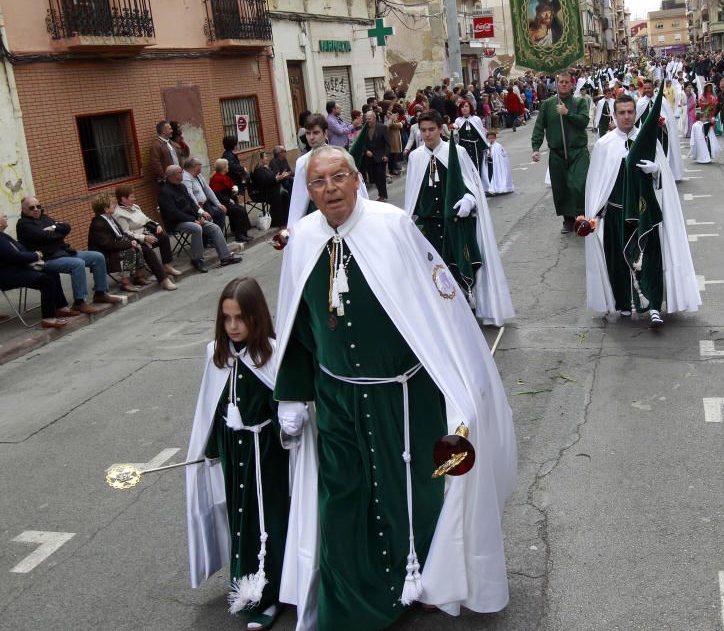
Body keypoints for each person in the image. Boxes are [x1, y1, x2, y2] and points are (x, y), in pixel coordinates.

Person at [271, 144, 516, 629]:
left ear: (357, 178)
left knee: (418, 493)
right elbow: (296, 322)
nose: (329, 189)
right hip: (337, 398)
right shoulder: (300, 239)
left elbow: (436, 310)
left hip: (404, 395)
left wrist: (458, 382)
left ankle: (426, 579)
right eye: (318, 182)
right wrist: (291, 394)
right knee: (343, 498)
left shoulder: (393, 226)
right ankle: (353, 601)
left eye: (338, 177)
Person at [185, 277, 290, 631]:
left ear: (256, 317)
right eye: (226, 318)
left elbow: (286, 407)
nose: (232, 326)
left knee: (269, 521)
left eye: (240, 318)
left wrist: (285, 424)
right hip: (234, 452)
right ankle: (245, 585)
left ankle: (269, 594)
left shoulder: (273, 354)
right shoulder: (217, 352)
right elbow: (212, 404)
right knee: (241, 518)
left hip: (267, 455)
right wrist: (211, 449)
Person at [582, 95, 700, 327]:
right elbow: (597, 184)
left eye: (630, 112)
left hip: (644, 213)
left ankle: (654, 305)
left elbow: (664, 176)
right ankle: (624, 303)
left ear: (636, 114)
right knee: (617, 262)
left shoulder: (648, 140)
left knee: (651, 259)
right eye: (622, 112)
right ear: (614, 116)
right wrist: (592, 216)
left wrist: (656, 171)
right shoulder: (604, 145)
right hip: (615, 214)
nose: (626, 116)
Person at [404, 111, 514, 326]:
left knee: (458, 265)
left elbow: (472, 186)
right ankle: (443, 309)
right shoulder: (415, 157)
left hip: (455, 222)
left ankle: (464, 305)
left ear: (440, 129)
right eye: (423, 130)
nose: (427, 135)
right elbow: (412, 192)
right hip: (429, 224)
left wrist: (468, 200)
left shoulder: (456, 152)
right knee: (434, 269)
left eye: (431, 129)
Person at [17, 196, 127, 313]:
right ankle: (80, 302)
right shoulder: (24, 225)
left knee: (97, 257)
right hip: (47, 258)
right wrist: (58, 233)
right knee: (77, 264)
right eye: (31, 207)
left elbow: (66, 227)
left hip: (64, 252)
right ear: (23, 209)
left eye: (38, 206)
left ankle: (101, 293)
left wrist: (54, 228)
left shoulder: (45, 218)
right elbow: (44, 236)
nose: (36, 209)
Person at [531, 72, 591, 233]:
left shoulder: (580, 102)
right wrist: (536, 148)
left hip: (578, 151)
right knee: (561, 187)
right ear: (557, 85)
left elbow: (584, 121)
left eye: (566, 82)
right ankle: (568, 219)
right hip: (557, 153)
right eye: (561, 82)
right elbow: (539, 127)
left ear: (571, 84)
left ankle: (581, 216)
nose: (563, 84)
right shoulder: (548, 105)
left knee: (578, 184)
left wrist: (567, 113)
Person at [158, 165, 242, 272]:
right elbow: (173, 213)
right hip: (176, 222)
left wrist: (199, 215)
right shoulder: (165, 192)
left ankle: (225, 257)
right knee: (196, 228)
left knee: (214, 228)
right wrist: (193, 219)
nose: (183, 174)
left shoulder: (182, 187)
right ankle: (197, 259)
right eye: (180, 172)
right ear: (174, 175)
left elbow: (192, 204)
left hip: (192, 218)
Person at [0, 210, 76, 328]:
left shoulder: (3, 235)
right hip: (8, 275)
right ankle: (48, 318)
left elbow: (21, 248)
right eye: (2, 216)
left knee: (51, 271)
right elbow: (14, 256)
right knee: (46, 281)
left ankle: (61, 307)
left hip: (20, 269)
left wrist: (33, 254)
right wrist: (35, 255)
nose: (5, 217)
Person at [112, 184, 179, 290]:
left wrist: (156, 225)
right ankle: (163, 280)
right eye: (132, 197)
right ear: (123, 199)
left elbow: (146, 219)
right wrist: (144, 238)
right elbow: (126, 233)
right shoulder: (118, 214)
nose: (135, 198)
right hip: (134, 241)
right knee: (148, 252)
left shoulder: (135, 206)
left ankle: (167, 266)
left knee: (163, 237)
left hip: (146, 233)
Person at [87, 194, 146, 293]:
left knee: (136, 247)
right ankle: (125, 282)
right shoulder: (98, 224)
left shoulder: (109, 218)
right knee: (130, 250)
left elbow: (122, 233)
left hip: (114, 248)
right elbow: (108, 245)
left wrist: (132, 239)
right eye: (112, 204)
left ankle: (137, 276)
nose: (115, 205)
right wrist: (129, 244)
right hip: (105, 254)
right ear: (105, 209)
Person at [209, 159, 253, 242]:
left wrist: (234, 192)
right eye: (227, 165)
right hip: (222, 204)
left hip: (227, 202)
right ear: (223, 168)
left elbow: (228, 191)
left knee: (241, 209)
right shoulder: (217, 178)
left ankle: (243, 232)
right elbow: (217, 194)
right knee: (239, 210)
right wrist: (229, 199)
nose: (228, 167)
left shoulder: (224, 177)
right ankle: (239, 235)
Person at [182, 157, 227, 231]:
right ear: (195, 166)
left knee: (220, 211)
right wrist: (201, 212)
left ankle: (216, 236)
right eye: (200, 164)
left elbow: (208, 189)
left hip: (206, 205)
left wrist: (218, 204)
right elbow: (190, 197)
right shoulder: (186, 178)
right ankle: (210, 237)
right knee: (207, 218)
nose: (201, 166)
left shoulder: (198, 175)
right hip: (196, 210)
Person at [454, 99, 489, 172]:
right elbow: (456, 136)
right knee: (466, 167)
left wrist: (485, 147)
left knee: (477, 166)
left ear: (470, 108)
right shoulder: (458, 120)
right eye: (462, 107)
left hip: (476, 147)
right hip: (463, 146)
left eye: (466, 106)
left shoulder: (476, 119)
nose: (464, 108)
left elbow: (481, 133)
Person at [481, 130, 514, 196]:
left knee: (496, 175)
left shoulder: (498, 146)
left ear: (495, 138)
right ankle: (489, 188)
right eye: (489, 138)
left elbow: (501, 156)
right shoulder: (486, 145)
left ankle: (498, 188)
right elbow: (484, 155)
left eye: (492, 138)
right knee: (489, 176)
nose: (491, 140)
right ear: (487, 138)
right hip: (489, 164)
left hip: (496, 165)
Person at [150, 120, 179, 185]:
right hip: (167, 180)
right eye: (170, 129)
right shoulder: (156, 145)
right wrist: (165, 176)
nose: (172, 131)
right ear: (163, 131)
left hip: (176, 176)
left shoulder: (171, 143)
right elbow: (156, 163)